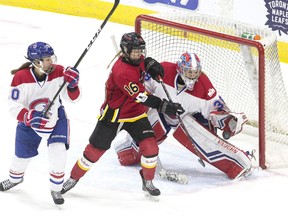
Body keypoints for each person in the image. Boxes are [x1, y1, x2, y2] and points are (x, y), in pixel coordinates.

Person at [60, 32, 185, 199]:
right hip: (113, 116)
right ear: (125, 50)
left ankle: (147, 181)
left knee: (151, 147)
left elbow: (143, 65)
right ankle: (73, 178)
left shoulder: (138, 59)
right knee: (93, 152)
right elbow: (141, 96)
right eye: (135, 51)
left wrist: (150, 65)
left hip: (135, 114)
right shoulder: (121, 71)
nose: (139, 54)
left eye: (141, 51)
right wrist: (163, 105)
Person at [113, 51, 253, 180]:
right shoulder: (163, 70)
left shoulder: (204, 85)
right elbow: (142, 90)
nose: (193, 76)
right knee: (131, 153)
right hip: (163, 112)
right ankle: (130, 149)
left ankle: (239, 162)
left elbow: (217, 109)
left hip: (192, 119)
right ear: (180, 69)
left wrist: (228, 120)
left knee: (206, 141)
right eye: (189, 72)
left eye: (195, 72)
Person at [0, 42, 81, 205]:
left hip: (56, 120)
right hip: (29, 124)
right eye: (46, 59)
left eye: (51, 58)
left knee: (58, 152)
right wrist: (28, 116)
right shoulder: (21, 77)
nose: (51, 62)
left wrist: (73, 86)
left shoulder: (59, 71)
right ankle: (15, 178)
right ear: (36, 62)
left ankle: (56, 189)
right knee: (21, 157)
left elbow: (74, 99)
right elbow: (13, 107)